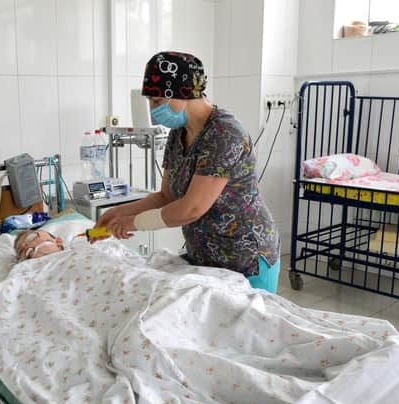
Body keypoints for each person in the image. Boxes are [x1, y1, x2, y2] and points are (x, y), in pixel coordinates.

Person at [95, 51, 281, 293]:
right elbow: (166, 197)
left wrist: (133, 223)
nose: (152, 112)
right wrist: (116, 213)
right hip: (204, 259)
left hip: (245, 258)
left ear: (183, 93)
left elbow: (192, 208)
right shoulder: (178, 134)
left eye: (157, 102)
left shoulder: (224, 134)